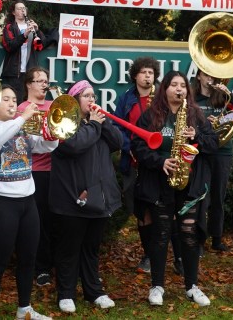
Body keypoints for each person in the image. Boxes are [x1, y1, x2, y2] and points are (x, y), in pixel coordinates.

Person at [133, 70, 216, 308]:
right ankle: (157, 286)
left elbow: (213, 144)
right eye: (174, 85)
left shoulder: (196, 115)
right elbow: (139, 146)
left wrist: (197, 134)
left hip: (188, 185)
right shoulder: (150, 116)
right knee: (160, 235)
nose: (179, 89)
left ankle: (191, 286)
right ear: (165, 89)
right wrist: (161, 161)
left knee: (189, 235)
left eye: (182, 86)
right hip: (160, 184)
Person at [0, 85, 57, 320]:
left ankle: (24, 309)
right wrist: (22, 117)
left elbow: (47, 146)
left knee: (28, 259)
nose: (12, 104)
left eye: (14, 99)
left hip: (27, 202)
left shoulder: (23, 129)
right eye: (6, 100)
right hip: (1, 203)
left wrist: (52, 132)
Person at [48, 80, 121, 314]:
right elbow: (75, 145)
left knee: (91, 248)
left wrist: (103, 123)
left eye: (94, 96)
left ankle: (94, 291)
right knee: (69, 249)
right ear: (75, 100)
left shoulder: (97, 122)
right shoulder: (63, 121)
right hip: (72, 199)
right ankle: (66, 294)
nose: (93, 100)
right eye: (87, 96)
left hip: (99, 198)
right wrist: (95, 126)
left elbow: (119, 143)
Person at [113, 57, 159, 273]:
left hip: (159, 162)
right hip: (133, 161)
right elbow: (117, 126)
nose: (147, 76)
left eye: (151, 72)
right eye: (143, 72)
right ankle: (149, 255)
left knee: (164, 209)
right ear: (135, 76)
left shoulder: (162, 98)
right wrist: (128, 146)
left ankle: (174, 256)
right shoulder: (125, 99)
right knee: (141, 212)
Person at [191, 69, 233, 252]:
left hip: (222, 151)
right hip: (201, 150)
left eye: (213, 75)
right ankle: (199, 238)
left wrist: (221, 120)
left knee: (218, 196)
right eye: (206, 75)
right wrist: (204, 122)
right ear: (199, 77)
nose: (209, 78)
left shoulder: (223, 97)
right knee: (200, 196)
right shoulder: (193, 98)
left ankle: (217, 238)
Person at [17, 67, 54, 286]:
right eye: (39, 80)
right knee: (37, 223)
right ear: (29, 84)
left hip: (56, 172)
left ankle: (50, 264)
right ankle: (39, 268)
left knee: (52, 222)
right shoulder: (21, 108)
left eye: (46, 81)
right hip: (33, 173)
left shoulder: (53, 106)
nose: (44, 84)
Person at [0, 1, 45, 101]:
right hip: (13, 74)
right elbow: (9, 46)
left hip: (29, 73)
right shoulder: (9, 27)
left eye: (24, 8)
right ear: (13, 12)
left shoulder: (31, 26)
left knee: (29, 102)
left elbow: (40, 47)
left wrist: (37, 31)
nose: (22, 10)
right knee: (14, 102)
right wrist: (24, 35)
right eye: (19, 8)